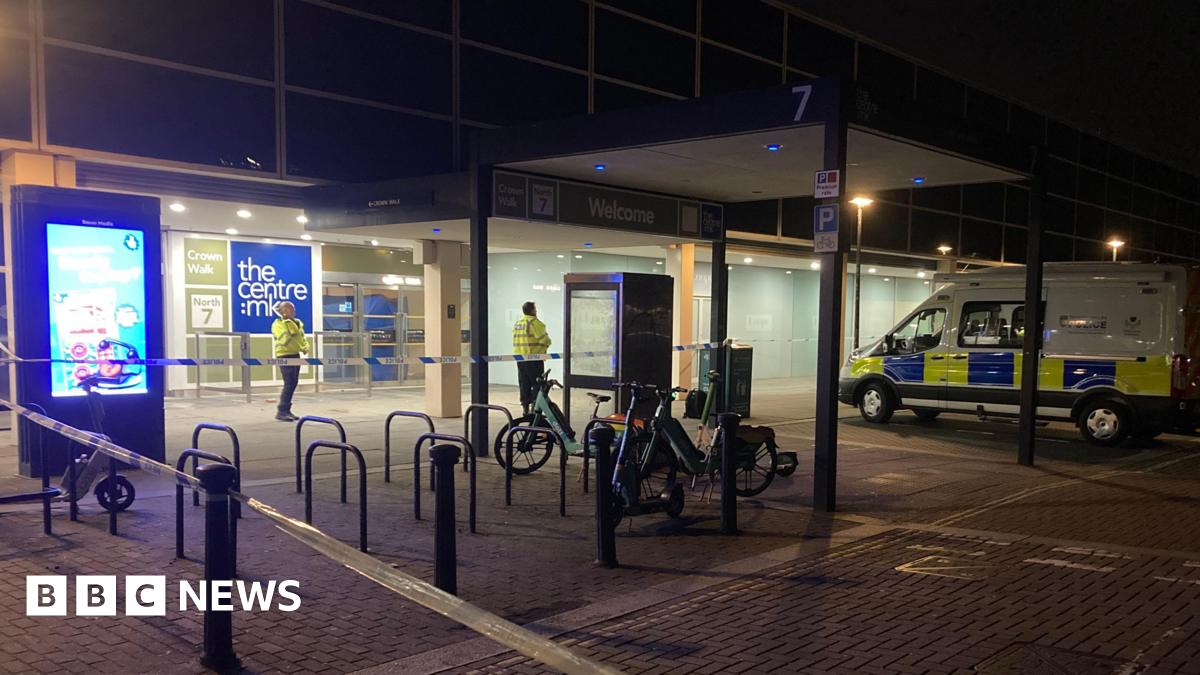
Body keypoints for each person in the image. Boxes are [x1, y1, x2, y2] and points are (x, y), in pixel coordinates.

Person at [271, 301, 309, 422]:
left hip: (295, 354)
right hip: (284, 355)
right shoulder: (278, 324)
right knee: (289, 383)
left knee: (293, 382)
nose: (293, 311)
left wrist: (305, 347)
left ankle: (287, 410)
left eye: (293, 309)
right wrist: (290, 328)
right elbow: (285, 340)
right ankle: (281, 411)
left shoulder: (297, 323)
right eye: (290, 309)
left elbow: (302, 337)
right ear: (284, 311)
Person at [512, 301, 551, 414]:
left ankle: (525, 407)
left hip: (520, 359)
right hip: (533, 359)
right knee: (537, 384)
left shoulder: (518, 323)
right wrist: (548, 342)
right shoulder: (535, 323)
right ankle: (535, 408)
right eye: (535, 309)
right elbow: (544, 339)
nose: (536, 311)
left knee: (524, 383)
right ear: (533, 310)